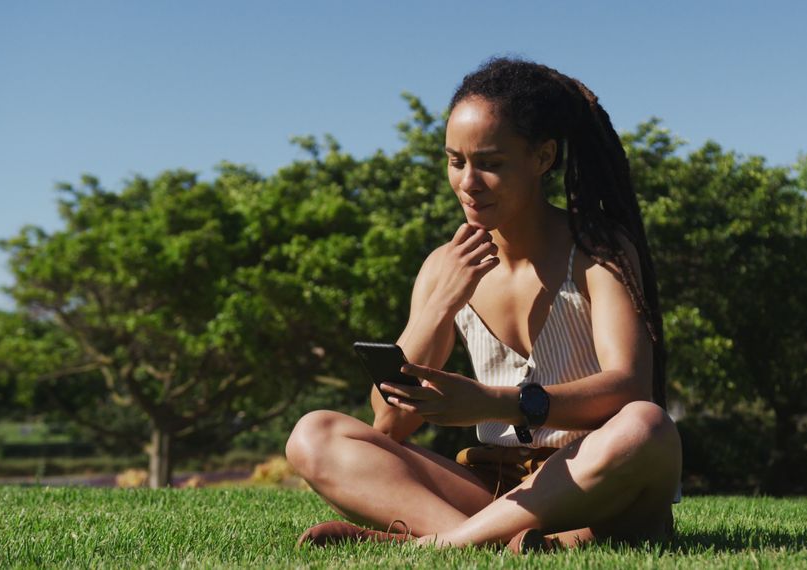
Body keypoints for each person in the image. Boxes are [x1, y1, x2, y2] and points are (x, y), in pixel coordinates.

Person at [285, 57, 682, 552]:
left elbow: (630, 389)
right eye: (456, 161)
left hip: (594, 478)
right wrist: (440, 305)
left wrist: (493, 402)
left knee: (646, 427)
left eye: (491, 164)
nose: (468, 182)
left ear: (542, 158)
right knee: (313, 434)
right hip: (495, 489)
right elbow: (389, 425)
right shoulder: (444, 266)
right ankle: (504, 541)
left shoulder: (597, 249)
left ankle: (440, 545)